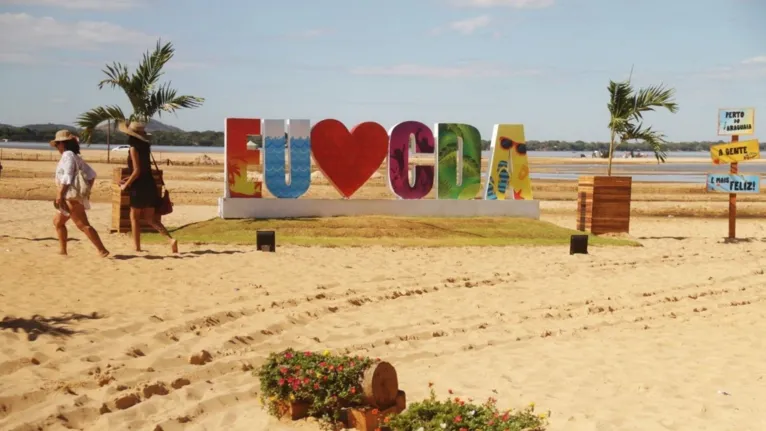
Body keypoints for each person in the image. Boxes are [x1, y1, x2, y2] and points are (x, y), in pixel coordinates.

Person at [118, 121, 178, 253]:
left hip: (138, 187)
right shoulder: (146, 148)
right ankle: (170, 240)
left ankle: (137, 247)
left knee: (134, 217)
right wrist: (128, 179)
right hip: (150, 184)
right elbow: (143, 170)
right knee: (150, 218)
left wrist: (125, 185)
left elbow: (137, 171)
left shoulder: (133, 149)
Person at [51, 130, 110, 257]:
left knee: (82, 225)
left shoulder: (68, 155)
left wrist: (60, 195)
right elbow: (92, 174)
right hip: (71, 196)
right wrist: (86, 191)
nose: (56, 147)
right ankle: (63, 250)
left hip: (69, 196)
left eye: (57, 145)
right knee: (58, 222)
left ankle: (102, 250)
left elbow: (66, 177)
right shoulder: (74, 156)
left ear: (62, 144)